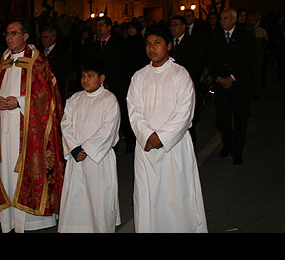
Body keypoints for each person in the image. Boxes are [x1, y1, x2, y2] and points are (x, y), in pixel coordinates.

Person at [0, 19, 65, 233]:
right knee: (6, 170)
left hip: (27, 129)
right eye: (7, 33)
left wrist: (18, 101)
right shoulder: (4, 60)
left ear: (25, 36)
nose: (9, 37)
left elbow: (47, 98)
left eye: (14, 33)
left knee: (25, 172)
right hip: (4, 127)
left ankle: (31, 222)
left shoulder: (37, 61)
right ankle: (8, 221)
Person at [127, 24, 207, 233]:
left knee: (176, 198)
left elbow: (184, 112)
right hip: (146, 149)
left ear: (169, 46)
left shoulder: (180, 75)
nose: (152, 48)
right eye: (148, 44)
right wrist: (148, 135)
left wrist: (161, 138)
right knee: (148, 197)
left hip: (174, 147)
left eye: (157, 43)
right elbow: (134, 111)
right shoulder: (139, 77)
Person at [58, 60, 121, 233]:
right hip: (77, 158)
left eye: (91, 76)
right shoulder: (74, 99)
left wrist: (86, 149)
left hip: (98, 160)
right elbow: (66, 125)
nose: (85, 80)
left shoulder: (109, 100)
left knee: (98, 199)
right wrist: (75, 149)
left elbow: (108, 129)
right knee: (77, 199)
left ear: (101, 78)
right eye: (83, 76)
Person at [208, 9, 255, 165]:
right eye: (221, 18)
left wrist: (233, 77)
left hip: (239, 85)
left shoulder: (245, 35)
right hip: (221, 85)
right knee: (222, 120)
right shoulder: (215, 36)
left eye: (226, 18)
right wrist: (219, 78)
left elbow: (248, 60)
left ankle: (237, 152)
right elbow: (211, 60)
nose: (222, 21)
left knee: (241, 120)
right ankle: (228, 143)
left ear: (234, 20)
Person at [83, 15, 133, 152]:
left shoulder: (120, 43)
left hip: (117, 85)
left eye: (101, 25)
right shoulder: (92, 44)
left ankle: (129, 139)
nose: (98, 28)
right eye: (97, 26)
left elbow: (123, 66)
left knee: (121, 113)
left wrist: (110, 81)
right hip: (98, 85)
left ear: (109, 27)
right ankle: (110, 144)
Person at [169, 14, 205, 146]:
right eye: (171, 25)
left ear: (184, 27)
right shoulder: (167, 43)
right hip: (169, 88)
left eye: (176, 24)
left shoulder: (193, 42)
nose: (173, 28)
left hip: (187, 85)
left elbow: (197, 64)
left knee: (188, 122)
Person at [40, 24, 72, 100]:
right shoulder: (39, 51)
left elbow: (63, 73)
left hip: (56, 87)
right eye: (41, 37)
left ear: (53, 37)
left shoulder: (62, 52)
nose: (43, 40)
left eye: (46, 37)